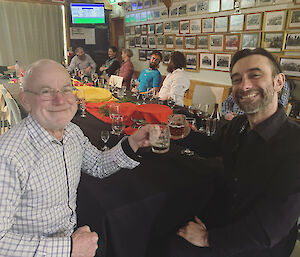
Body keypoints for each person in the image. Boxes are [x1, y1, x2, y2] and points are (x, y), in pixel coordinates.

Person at [0, 59, 151, 256]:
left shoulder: (72, 132)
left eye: (67, 89)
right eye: (46, 92)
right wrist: (69, 248)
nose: (61, 100)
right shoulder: (10, 156)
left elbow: (98, 164)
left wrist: (133, 143)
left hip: (71, 236)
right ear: (26, 101)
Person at [167, 48, 300, 257]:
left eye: (255, 75)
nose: (244, 85)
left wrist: (206, 238)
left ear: (279, 82)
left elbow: (270, 230)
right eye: (237, 79)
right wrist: (186, 135)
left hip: (259, 243)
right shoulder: (239, 124)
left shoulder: (294, 145)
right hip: (226, 217)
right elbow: (215, 147)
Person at [222, 81, 290, 120]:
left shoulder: (280, 84)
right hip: (234, 122)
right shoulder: (243, 82)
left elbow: (279, 108)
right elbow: (227, 102)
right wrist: (227, 113)